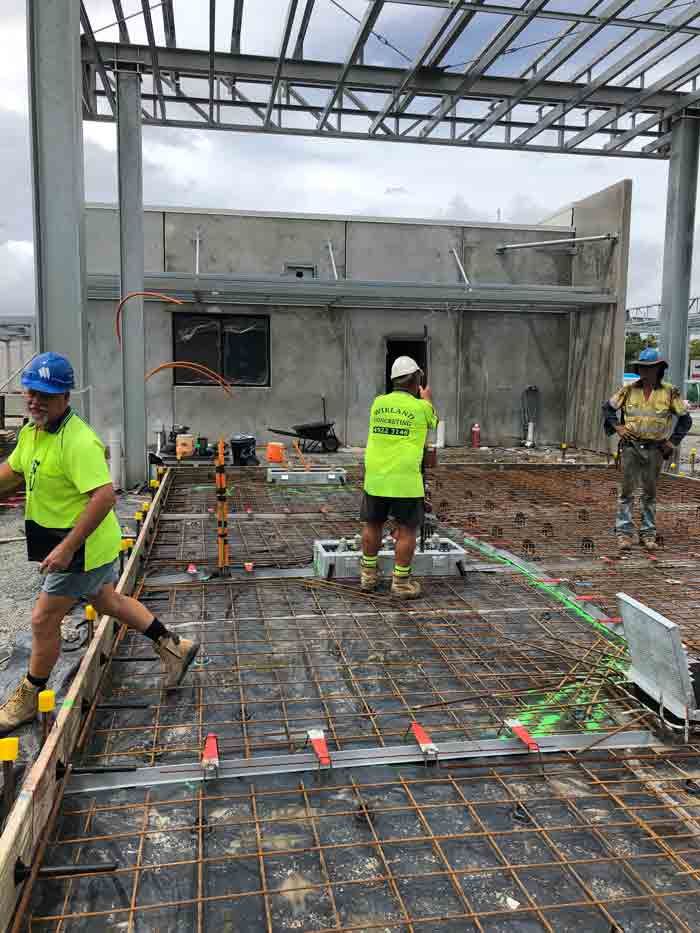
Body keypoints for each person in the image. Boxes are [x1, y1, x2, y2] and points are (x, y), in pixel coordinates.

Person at [0, 352, 199, 734]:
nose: (35, 400)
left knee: (43, 620)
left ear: (65, 397)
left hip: (81, 547)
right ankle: (174, 645)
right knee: (107, 601)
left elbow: (105, 496)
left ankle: (29, 696)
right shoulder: (33, 432)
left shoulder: (78, 441)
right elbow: (16, 469)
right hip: (79, 544)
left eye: (45, 395)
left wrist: (68, 547)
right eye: (30, 392)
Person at [360, 356, 438, 598]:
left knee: (372, 524)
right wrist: (426, 399)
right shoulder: (421, 407)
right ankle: (401, 583)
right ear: (416, 380)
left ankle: (367, 577)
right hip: (404, 480)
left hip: (376, 476)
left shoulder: (377, 403)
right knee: (406, 530)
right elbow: (432, 423)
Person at [603, 347, 692, 553]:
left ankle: (648, 534)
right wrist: (618, 426)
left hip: (655, 449)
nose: (646, 371)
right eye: (642, 368)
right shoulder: (628, 390)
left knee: (649, 493)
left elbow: (685, 419)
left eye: (650, 368)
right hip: (631, 447)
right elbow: (607, 408)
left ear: (659, 369)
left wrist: (672, 442)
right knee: (627, 491)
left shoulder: (670, 392)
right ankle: (624, 534)